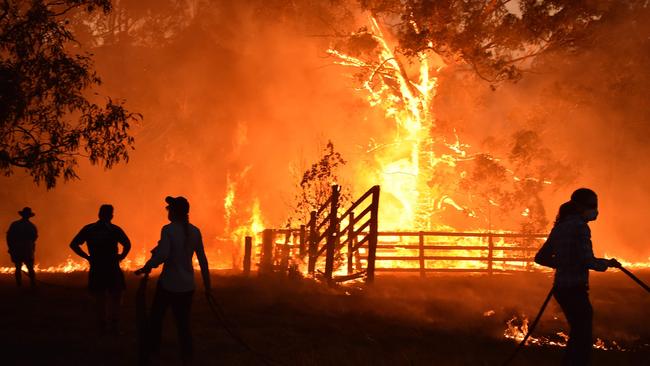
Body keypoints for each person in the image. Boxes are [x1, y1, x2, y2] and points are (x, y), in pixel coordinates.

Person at [535, 188, 621, 366]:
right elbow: (586, 260)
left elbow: (541, 258)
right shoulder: (581, 227)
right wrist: (607, 263)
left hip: (561, 289)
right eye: (593, 205)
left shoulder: (560, 226)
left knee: (578, 333)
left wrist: (563, 263)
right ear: (581, 206)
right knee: (582, 337)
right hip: (575, 289)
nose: (596, 210)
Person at [136, 196, 211, 366]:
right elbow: (203, 260)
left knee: (156, 319)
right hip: (187, 286)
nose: (167, 211)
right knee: (183, 323)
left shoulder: (168, 230)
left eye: (169, 208)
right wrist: (208, 286)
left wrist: (148, 266)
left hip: (168, 284)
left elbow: (163, 255)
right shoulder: (195, 231)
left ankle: (153, 353)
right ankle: (187, 356)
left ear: (175, 212)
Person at [70, 204, 131, 334]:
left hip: (97, 266)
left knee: (99, 296)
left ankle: (101, 325)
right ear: (111, 216)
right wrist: (122, 256)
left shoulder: (89, 229)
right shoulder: (114, 229)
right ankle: (114, 325)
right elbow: (127, 244)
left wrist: (87, 257)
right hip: (112, 267)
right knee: (116, 295)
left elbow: (74, 244)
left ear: (99, 215)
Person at [6, 207, 38, 287]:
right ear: (29, 216)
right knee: (30, 267)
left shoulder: (15, 224)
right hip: (27, 248)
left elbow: (9, 237)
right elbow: (34, 238)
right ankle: (33, 283)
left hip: (17, 249)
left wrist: (10, 247)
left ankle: (19, 285)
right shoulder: (31, 226)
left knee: (18, 267)